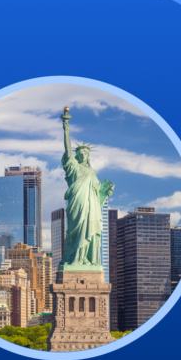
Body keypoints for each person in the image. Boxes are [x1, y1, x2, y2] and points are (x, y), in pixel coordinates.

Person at [60, 107, 114, 267]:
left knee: (90, 229)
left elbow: (98, 191)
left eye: (86, 153)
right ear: (76, 156)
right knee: (76, 231)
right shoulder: (74, 167)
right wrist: (66, 129)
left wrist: (107, 190)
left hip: (91, 206)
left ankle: (87, 260)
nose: (84, 155)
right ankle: (75, 259)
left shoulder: (92, 171)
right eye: (81, 153)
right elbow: (67, 150)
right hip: (78, 204)